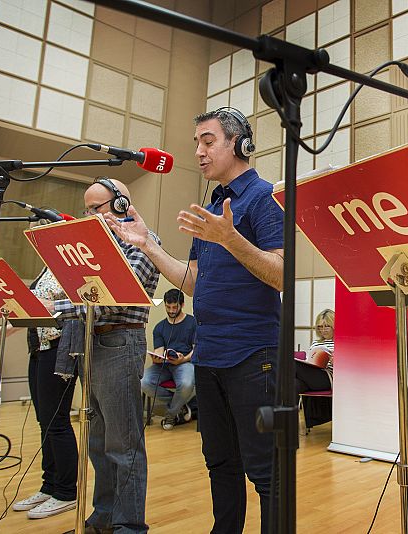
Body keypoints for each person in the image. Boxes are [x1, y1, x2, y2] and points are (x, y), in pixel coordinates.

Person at [105, 107, 283, 534]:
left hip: (254, 355)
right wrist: (147, 244)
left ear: (241, 144)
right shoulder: (212, 206)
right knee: (220, 462)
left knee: (265, 470)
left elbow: (280, 273)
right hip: (209, 355)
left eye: (208, 141)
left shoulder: (265, 197)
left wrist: (231, 238)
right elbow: (191, 281)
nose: (199, 153)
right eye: (197, 144)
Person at [43, 177, 160, 534]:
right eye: (86, 209)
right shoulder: (90, 249)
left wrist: (55, 304)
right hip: (91, 344)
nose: (89, 215)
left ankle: (128, 526)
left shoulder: (143, 243)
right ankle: (104, 518)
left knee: (123, 445)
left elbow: (111, 300)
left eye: (97, 208)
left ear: (122, 205)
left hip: (119, 343)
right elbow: (81, 295)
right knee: (97, 442)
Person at [0, 265, 78, 520]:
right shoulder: (44, 269)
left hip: (59, 347)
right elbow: (32, 308)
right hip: (38, 346)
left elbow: (74, 306)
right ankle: (49, 486)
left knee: (56, 421)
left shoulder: (69, 267)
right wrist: (12, 327)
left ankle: (67, 492)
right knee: (44, 421)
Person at [141, 288, 196, 430]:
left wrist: (183, 359)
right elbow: (159, 350)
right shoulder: (159, 327)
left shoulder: (192, 323)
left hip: (185, 363)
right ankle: (180, 406)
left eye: (174, 307)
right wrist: (157, 358)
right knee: (143, 382)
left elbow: (196, 350)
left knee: (186, 383)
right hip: (164, 365)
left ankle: (171, 414)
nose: (171, 310)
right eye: (168, 307)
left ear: (182, 305)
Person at [294, 309, 335, 395]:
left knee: (293, 364)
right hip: (312, 376)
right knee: (294, 384)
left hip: (328, 377)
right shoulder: (316, 343)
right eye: (320, 327)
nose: (323, 330)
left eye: (326, 326)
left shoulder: (341, 343)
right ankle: (292, 408)